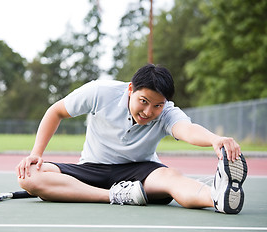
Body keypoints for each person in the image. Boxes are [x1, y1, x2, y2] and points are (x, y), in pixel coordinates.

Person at [16, 64, 247, 214]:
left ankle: (217, 197)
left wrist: (215, 139)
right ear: (130, 89)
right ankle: (114, 196)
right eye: (144, 101)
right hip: (91, 169)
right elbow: (56, 111)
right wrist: (36, 154)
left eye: (157, 105)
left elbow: (186, 129)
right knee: (29, 177)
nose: (148, 112)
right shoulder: (100, 92)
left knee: (171, 177)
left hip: (139, 174)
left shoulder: (167, 113)